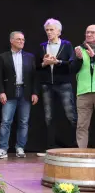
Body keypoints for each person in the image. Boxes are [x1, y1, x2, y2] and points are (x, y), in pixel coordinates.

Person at [36, 19, 76, 156]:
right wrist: (45, 63)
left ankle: (75, 146)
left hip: (63, 84)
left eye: (51, 30)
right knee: (48, 116)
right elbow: (36, 66)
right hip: (47, 85)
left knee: (70, 115)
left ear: (59, 31)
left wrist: (57, 62)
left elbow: (71, 64)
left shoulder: (67, 45)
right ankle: (50, 148)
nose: (49, 32)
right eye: (47, 30)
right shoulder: (42, 46)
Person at [0, 31, 39, 159]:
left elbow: (34, 77)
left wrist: (35, 92)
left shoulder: (29, 57)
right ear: (11, 41)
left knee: (24, 122)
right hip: (9, 92)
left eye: (23, 39)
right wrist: (1, 92)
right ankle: (2, 148)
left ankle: (20, 147)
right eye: (18, 39)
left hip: (26, 93)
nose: (21, 41)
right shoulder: (3, 56)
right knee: (6, 121)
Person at [72, 25, 95, 148]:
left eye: (92, 32)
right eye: (87, 32)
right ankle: (81, 153)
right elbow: (71, 70)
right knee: (82, 125)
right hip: (83, 92)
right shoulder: (78, 50)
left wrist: (94, 57)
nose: (89, 34)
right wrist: (79, 59)